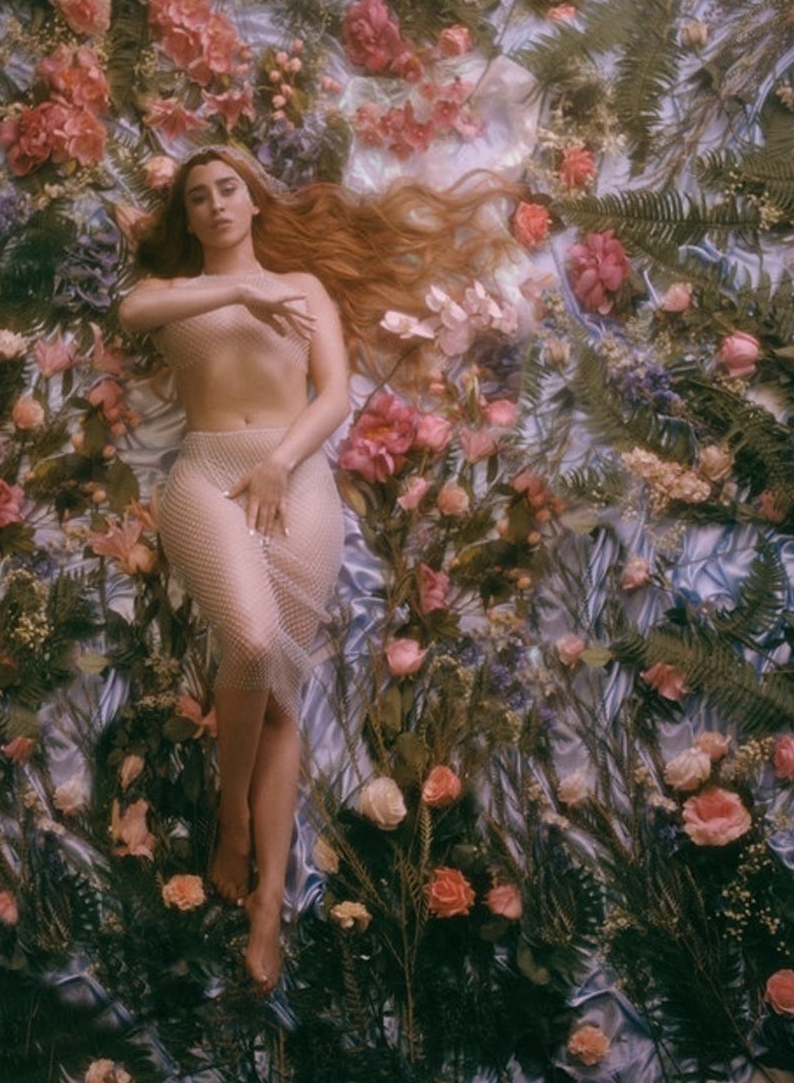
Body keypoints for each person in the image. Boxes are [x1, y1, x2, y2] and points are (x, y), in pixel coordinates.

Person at [118, 144, 518, 993]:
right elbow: (132, 309)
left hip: (294, 478)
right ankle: (231, 816)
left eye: (229, 188)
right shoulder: (177, 292)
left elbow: (333, 395)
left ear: (255, 200)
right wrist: (238, 290)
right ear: (187, 216)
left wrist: (279, 462)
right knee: (250, 641)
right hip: (207, 475)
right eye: (198, 196)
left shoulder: (304, 288)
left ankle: (269, 903)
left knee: (279, 700)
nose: (216, 204)